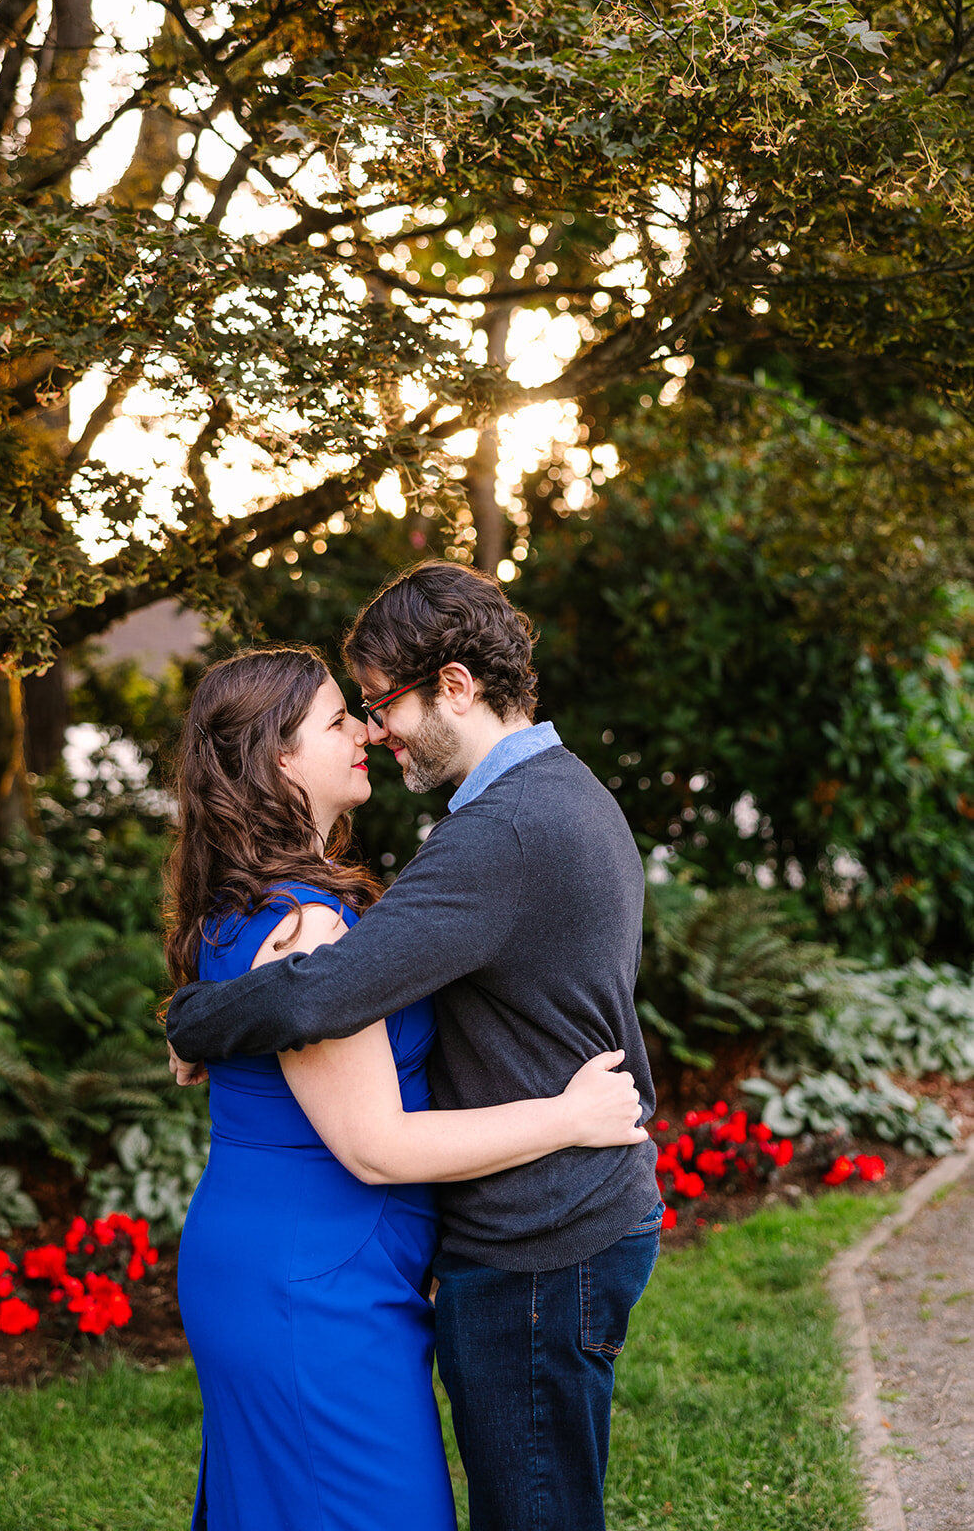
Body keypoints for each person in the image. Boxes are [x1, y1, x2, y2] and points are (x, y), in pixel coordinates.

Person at [167, 564, 662, 1531]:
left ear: (455, 685)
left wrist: (196, 1021)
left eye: (378, 702)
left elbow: (327, 991)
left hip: (541, 1230)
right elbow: (335, 1001)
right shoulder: (555, 796)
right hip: (490, 1233)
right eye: (345, 715)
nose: (371, 727)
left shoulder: (502, 831)